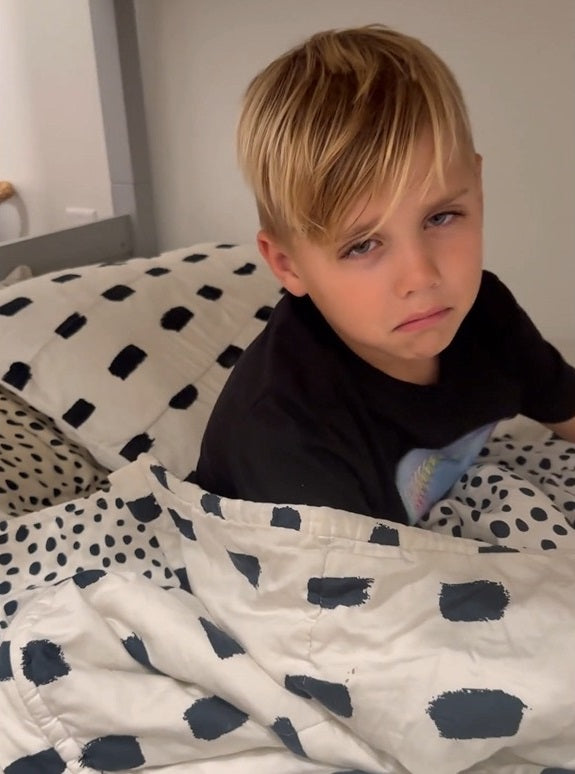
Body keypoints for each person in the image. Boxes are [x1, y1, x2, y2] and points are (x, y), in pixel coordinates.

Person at [196, 24, 575, 526]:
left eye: (441, 217)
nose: (421, 277)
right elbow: (342, 574)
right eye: (362, 245)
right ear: (288, 265)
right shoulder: (287, 429)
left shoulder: (488, 313)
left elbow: (563, 405)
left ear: (477, 189)